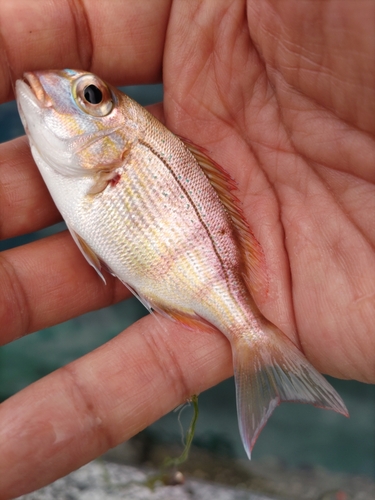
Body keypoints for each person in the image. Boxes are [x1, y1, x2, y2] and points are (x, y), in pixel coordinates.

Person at [0, 0, 374, 497]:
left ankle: (255, 341)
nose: (57, 91)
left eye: (89, 96)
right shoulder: (100, 167)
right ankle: (257, 346)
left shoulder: (116, 163)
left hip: (189, 272)